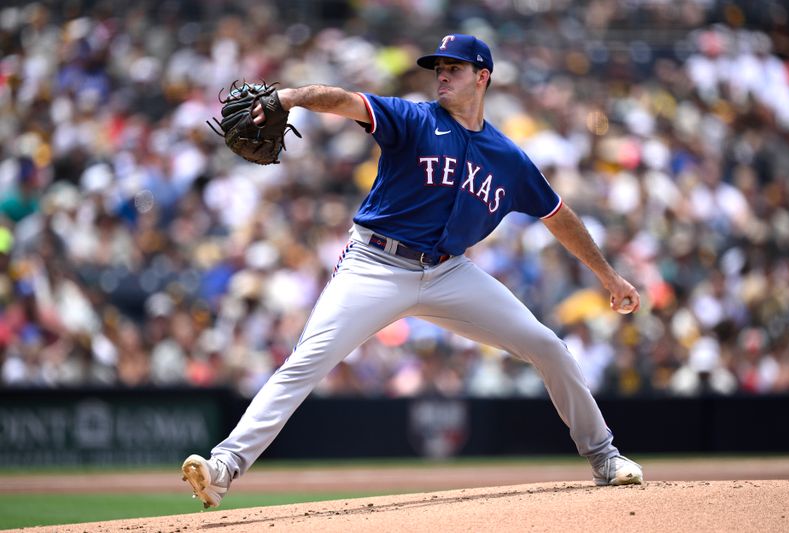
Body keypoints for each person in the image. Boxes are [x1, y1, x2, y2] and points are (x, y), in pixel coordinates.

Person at [181, 34, 643, 508]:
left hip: (449, 274)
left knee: (548, 346)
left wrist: (609, 276)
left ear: (482, 77)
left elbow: (558, 215)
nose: (442, 74)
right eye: (439, 67)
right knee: (306, 361)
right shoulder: (413, 118)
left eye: (455, 68)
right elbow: (345, 100)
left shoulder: (508, 159)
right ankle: (224, 466)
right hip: (376, 264)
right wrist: (289, 97)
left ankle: (605, 457)